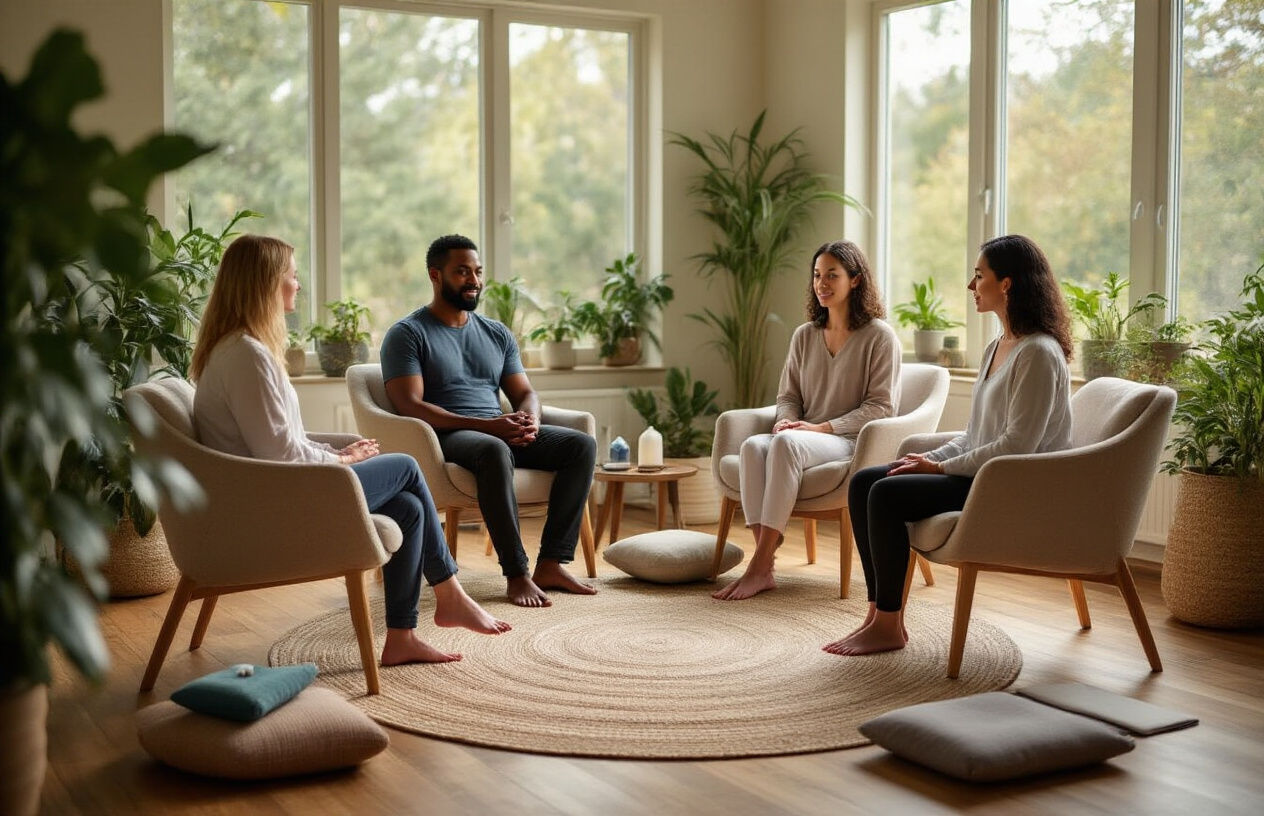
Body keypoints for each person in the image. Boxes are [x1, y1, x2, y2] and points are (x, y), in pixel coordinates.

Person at [190, 234, 510, 666]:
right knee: (407, 466)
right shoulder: (247, 356)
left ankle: (402, 636)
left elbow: (278, 439)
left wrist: (331, 451)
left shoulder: (242, 349)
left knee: (409, 509)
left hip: (273, 489)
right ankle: (450, 593)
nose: (298, 286)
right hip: (274, 504)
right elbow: (280, 455)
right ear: (266, 284)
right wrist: (338, 460)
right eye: (292, 276)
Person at [825, 233, 1073, 656]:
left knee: (885, 495)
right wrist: (929, 459)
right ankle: (878, 613)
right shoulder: (999, 345)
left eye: (979, 276)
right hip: (982, 475)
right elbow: (977, 433)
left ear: (1007, 284)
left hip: (1010, 485)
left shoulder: (1038, 353)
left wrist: (938, 470)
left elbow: (1016, 445)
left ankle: (888, 625)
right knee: (864, 481)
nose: (971, 286)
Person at [380, 234, 598, 608]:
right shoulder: (408, 334)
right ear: (436, 274)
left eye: (477, 271)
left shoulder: (496, 333)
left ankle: (551, 563)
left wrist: (529, 418)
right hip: (445, 437)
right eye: (462, 271)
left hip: (496, 431)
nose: (474, 280)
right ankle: (516, 573)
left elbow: (525, 392)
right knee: (494, 450)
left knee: (580, 445)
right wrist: (490, 426)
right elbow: (410, 406)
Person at [713, 240, 901, 601]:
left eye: (832, 275)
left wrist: (820, 428)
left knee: (786, 443)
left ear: (856, 280)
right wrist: (786, 420)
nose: (822, 284)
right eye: (817, 275)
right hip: (803, 435)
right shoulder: (805, 335)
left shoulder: (880, 336)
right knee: (754, 445)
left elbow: (881, 408)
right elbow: (788, 397)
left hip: (849, 440)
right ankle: (764, 562)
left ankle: (759, 564)